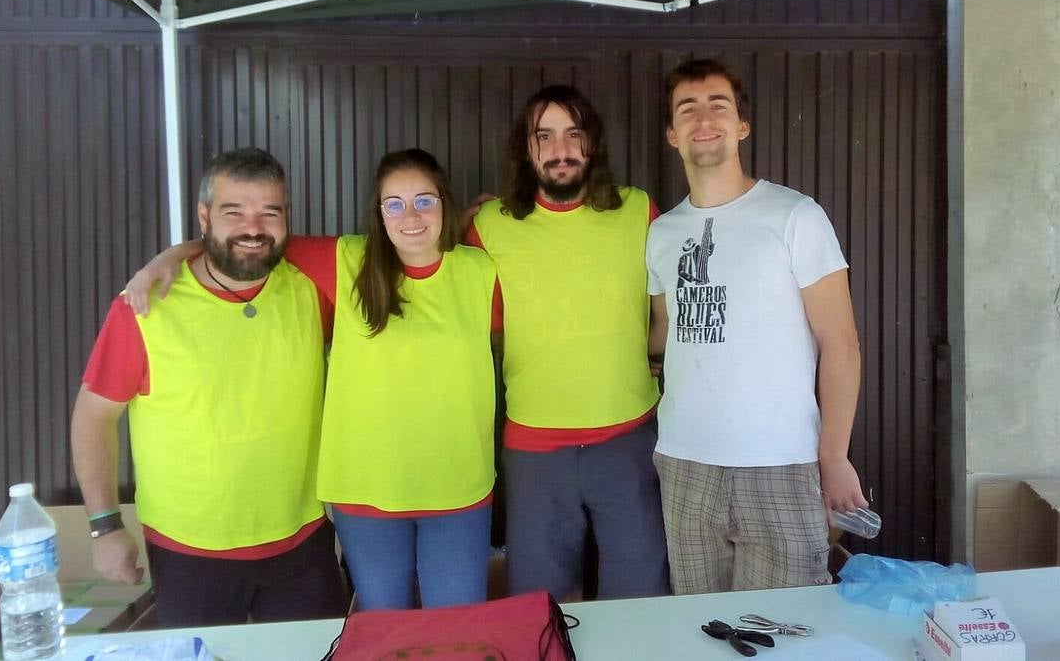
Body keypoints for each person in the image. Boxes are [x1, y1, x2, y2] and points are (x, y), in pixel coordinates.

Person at [126, 149, 497, 610]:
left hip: (459, 490)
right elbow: (251, 239)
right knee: (383, 633)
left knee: (458, 635)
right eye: (394, 204)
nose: (411, 216)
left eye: (424, 200)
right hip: (366, 495)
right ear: (378, 215)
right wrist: (171, 255)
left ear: (445, 203)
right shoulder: (345, 260)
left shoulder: (482, 269)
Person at [70, 148, 348, 627]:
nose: (253, 227)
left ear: (287, 218)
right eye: (233, 211)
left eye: (269, 212)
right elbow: (94, 416)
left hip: (302, 540)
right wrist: (105, 527)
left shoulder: (310, 286)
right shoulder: (145, 306)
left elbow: (405, 251)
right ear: (204, 216)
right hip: (189, 552)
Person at [645, 58, 868, 594]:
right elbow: (660, 338)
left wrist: (834, 458)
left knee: (788, 631)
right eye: (688, 108)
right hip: (684, 464)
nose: (704, 118)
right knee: (698, 629)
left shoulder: (795, 216)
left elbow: (841, 344)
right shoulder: (662, 233)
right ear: (672, 134)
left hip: (780, 464)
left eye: (718, 105)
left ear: (742, 125)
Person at [467, 84, 669, 600]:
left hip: (628, 439)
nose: (561, 149)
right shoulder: (490, 226)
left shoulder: (639, 210)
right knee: (538, 606)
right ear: (525, 146)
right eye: (545, 136)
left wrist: (650, 356)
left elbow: (666, 306)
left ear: (592, 143)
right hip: (535, 448)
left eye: (573, 134)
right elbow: (471, 322)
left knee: (639, 597)